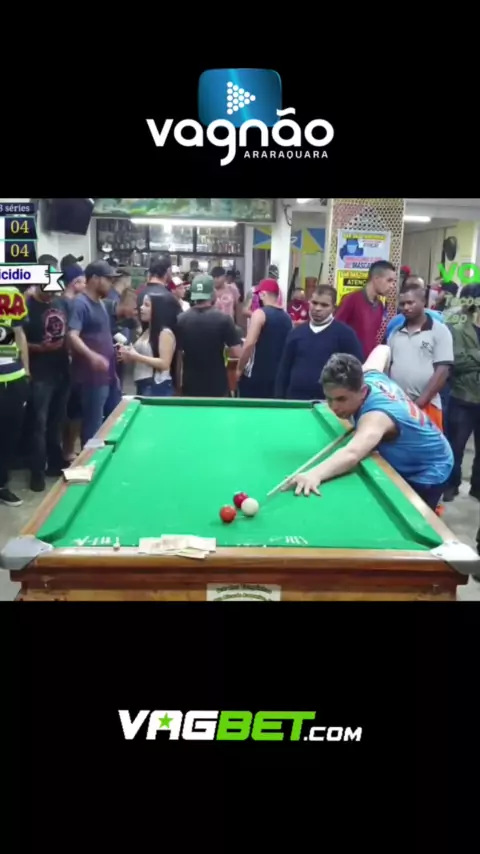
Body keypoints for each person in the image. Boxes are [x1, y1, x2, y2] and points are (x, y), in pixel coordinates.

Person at [285, 347, 453, 511]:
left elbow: (352, 453)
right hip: (417, 444)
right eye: (329, 399)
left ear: (363, 391)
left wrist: (314, 474)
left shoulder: (376, 417)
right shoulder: (368, 374)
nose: (333, 407)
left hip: (429, 468)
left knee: (411, 514)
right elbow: (383, 349)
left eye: (341, 399)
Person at [68, 260, 123, 446]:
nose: (111, 284)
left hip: (108, 375)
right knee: (93, 427)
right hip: (91, 378)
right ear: (95, 279)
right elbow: (72, 336)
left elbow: (102, 335)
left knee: (113, 422)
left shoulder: (100, 303)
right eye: (108, 279)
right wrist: (92, 356)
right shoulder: (80, 304)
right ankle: (90, 461)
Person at [275, 286, 363, 400]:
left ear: (334, 308)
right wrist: (279, 399)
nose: (317, 308)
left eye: (324, 305)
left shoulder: (346, 334)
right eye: (314, 303)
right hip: (295, 401)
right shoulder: (296, 333)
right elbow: (284, 370)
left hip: (329, 403)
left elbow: (356, 371)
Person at [387, 283, 453, 431]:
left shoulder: (439, 331)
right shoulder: (395, 333)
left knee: (429, 444)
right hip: (398, 407)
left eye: (410, 302)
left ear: (423, 302)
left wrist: (419, 404)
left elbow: (443, 371)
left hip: (427, 406)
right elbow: (388, 367)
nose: (406, 307)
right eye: (402, 304)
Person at [24, 283, 70, 491]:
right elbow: (16, 341)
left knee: (56, 421)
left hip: (61, 369)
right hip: (39, 373)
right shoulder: (26, 306)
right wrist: (39, 348)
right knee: (39, 425)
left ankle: (54, 463)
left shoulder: (60, 303)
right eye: (47, 290)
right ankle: (37, 471)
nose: (51, 294)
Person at [443, 284, 480, 502]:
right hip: (462, 394)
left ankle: (478, 487)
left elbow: (467, 357)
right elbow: (456, 360)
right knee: (455, 446)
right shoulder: (455, 324)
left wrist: (472, 354)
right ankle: (451, 485)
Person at [176, 274, 242, 397]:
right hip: (217, 384)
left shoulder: (181, 319)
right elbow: (236, 353)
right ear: (212, 293)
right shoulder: (224, 319)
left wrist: (178, 385)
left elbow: (178, 356)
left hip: (190, 384)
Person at [237, 278, 292, 399]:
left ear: (262, 294)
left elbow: (249, 344)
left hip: (257, 376)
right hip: (277, 376)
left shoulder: (260, 314)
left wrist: (239, 369)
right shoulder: (287, 317)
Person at [0, 286, 30, 506]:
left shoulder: (10, 292)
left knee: (9, 436)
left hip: (13, 378)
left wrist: (26, 371)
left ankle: (2, 484)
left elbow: (18, 333)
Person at [118, 294, 178, 397]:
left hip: (156, 385)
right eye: (142, 304)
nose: (141, 308)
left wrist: (136, 356)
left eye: (146, 305)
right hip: (142, 384)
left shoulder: (164, 333)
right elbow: (141, 355)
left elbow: (164, 363)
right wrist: (128, 353)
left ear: (157, 309)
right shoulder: (146, 331)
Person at [335, 260, 396, 357]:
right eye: (389, 280)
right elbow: (335, 329)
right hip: (349, 361)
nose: (392, 285)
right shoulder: (352, 299)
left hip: (368, 361)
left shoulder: (380, 305)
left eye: (393, 282)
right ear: (376, 278)